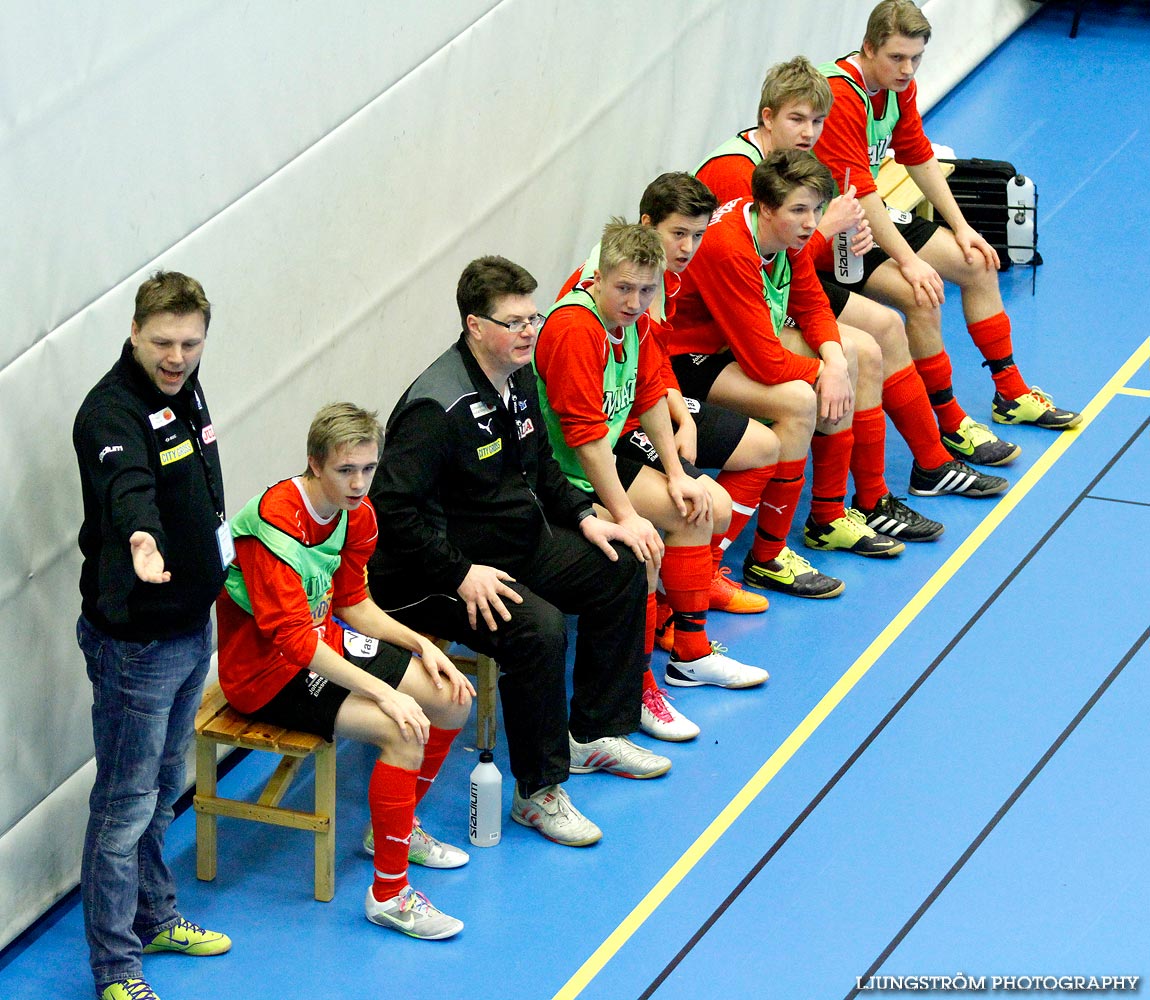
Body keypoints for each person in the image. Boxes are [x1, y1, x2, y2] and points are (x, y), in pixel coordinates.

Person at [369, 256, 668, 850]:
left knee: (622, 566)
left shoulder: (519, 377)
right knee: (538, 629)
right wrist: (459, 574)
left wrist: (588, 518)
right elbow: (392, 513)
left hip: (513, 543)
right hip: (436, 574)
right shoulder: (437, 408)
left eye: (533, 318)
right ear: (475, 326)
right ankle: (538, 793)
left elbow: (540, 473)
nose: (530, 331)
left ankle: (593, 734)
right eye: (514, 322)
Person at [696, 55, 1009, 525]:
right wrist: (825, 235)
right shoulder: (735, 174)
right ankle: (853, 506)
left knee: (886, 324)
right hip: (733, 314)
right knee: (858, 351)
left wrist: (847, 235)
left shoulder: (793, 163)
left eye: (817, 121)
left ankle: (928, 464)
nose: (808, 132)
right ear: (767, 117)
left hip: (779, 286)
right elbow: (745, 264)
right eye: (796, 119)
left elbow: (791, 256)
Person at [216, 403, 473, 940]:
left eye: (368, 469)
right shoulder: (274, 524)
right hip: (265, 675)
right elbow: (291, 641)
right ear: (314, 464)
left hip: (320, 643)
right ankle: (388, 896)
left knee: (452, 699)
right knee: (402, 728)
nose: (359, 484)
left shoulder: (358, 513)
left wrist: (422, 647)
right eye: (345, 471)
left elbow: (352, 601)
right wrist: (387, 693)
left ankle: (392, 833)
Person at [561, 174, 780, 741]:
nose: (686, 246)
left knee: (695, 504)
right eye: (677, 233)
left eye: (695, 235)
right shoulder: (580, 324)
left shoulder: (637, 303)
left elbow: (651, 377)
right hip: (565, 474)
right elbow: (585, 439)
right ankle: (636, 689)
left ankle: (690, 654)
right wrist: (628, 514)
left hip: (603, 449)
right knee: (657, 536)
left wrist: (679, 470)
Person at [814, 0, 1080, 448]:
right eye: (897, 57)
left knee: (975, 262)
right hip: (827, 230)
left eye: (916, 58)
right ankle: (948, 420)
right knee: (919, 293)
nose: (907, 69)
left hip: (866, 211)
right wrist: (909, 262)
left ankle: (1011, 395)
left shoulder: (900, 87)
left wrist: (962, 227)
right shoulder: (842, 95)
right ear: (867, 48)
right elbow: (860, 191)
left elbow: (917, 152)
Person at [73, 271, 231, 1000]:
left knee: (166, 789)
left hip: (190, 626)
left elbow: (198, 474)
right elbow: (128, 486)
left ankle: (155, 915)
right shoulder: (109, 413)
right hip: (136, 645)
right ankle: (116, 967)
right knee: (123, 806)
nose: (176, 356)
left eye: (190, 343)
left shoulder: (186, 385)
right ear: (133, 333)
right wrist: (141, 537)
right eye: (163, 342)